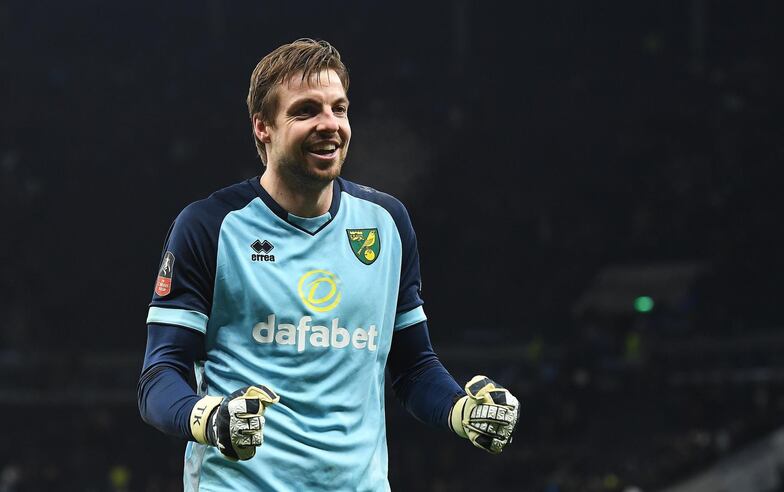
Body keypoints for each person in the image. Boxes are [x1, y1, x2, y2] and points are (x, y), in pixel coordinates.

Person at [137, 38, 519, 491]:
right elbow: (159, 376)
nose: (330, 124)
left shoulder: (386, 224)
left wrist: (461, 410)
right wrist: (211, 417)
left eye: (339, 108)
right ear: (263, 127)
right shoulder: (209, 227)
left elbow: (413, 367)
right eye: (306, 111)